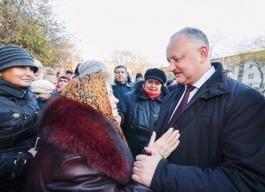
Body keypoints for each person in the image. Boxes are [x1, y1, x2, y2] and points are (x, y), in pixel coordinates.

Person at [132, 27, 265, 191]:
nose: (171, 67)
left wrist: (162, 175)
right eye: (169, 61)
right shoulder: (171, 96)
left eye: (177, 59)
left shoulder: (245, 100)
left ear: (202, 54)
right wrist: (150, 154)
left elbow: (247, 181)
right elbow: (154, 141)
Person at [24, 60, 153, 191]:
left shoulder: (77, 137)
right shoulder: (75, 156)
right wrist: (149, 172)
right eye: (108, 94)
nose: (116, 100)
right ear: (93, 98)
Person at [0, 45, 39, 192]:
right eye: (21, 67)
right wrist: (27, 158)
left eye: (31, 69)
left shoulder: (27, 93)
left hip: (28, 178)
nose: (29, 73)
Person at [119, 68, 169, 159]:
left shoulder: (167, 102)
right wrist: (118, 118)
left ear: (162, 85)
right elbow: (121, 113)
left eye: (157, 83)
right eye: (150, 82)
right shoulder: (129, 97)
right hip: (130, 149)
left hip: (154, 150)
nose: (153, 85)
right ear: (144, 82)